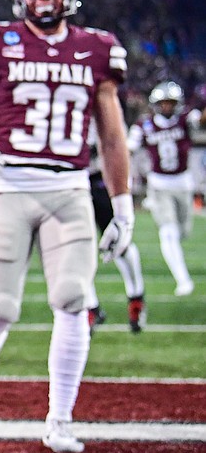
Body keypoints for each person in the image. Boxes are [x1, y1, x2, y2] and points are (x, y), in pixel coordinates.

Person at [0, 0, 133, 453]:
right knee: (0, 307)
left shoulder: (97, 48)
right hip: (11, 186)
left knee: (73, 300)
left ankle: (60, 419)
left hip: (69, 188)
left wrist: (122, 206)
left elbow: (112, 137)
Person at [129, 81, 204, 298]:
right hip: (159, 185)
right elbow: (128, 149)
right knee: (168, 233)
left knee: (183, 233)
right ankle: (183, 280)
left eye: (171, 103)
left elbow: (200, 119)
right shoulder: (144, 126)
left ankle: (180, 269)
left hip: (183, 183)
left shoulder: (185, 120)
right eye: (163, 103)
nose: (167, 107)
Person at [86, 132, 147, 333]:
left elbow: (116, 141)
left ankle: (136, 297)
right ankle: (89, 307)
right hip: (68, 182)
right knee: (72, 249)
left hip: (102, 179)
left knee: (120, 242)